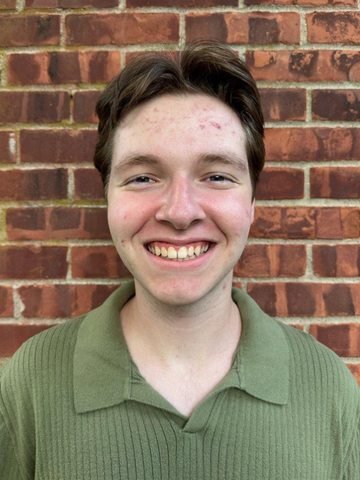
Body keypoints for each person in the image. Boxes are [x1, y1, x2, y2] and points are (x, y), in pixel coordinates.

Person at [0, 40, 359, 480]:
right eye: (144, 177)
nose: (180, 211)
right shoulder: (32, 379)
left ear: (251, 203)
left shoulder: (327, 386)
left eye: (216, 176)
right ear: (108, 199)